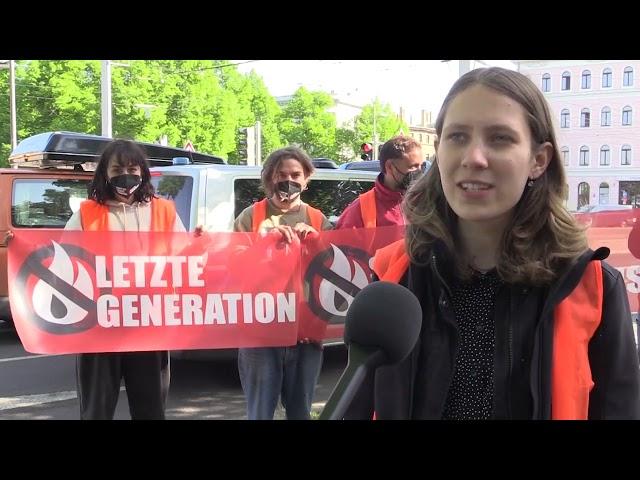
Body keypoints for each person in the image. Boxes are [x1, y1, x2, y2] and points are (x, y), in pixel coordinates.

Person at [345, 67, 640, 420]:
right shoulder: (394, 276)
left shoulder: (591, 285)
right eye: (457, 137)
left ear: (538, 160)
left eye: (500, 138)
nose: (474, 157)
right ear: (438, 151)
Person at [64, 139, 186, 420]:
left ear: (143, 171)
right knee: (96, 411)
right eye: (117, 168)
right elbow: (64, 260)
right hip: (98, 328)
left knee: (151, 410)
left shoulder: (164, 211)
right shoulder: (86, 213)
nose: (125, 175)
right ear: (104, 173)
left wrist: (202, 241)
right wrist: (20, 245)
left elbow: (186, 258)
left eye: (132, 168)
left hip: (149, 326)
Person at [234, 146, 333, 420]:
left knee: (300, 412)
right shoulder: (250, 217)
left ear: (306, 179)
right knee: (260, 413)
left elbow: (337, 269)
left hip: (306, 332)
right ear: (269, 178)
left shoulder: (317, 219)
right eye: (281, 174)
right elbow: (233, 265)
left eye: (295, 174)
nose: (288, 180)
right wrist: (264, 243)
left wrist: (319, 241)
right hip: (260, 332)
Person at [335, 135, 424, 229]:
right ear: (390, 167)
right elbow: (340, 242)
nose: (419, 171)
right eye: (413, 166)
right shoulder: (359, 211)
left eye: (422, 166)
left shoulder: (424, 203)